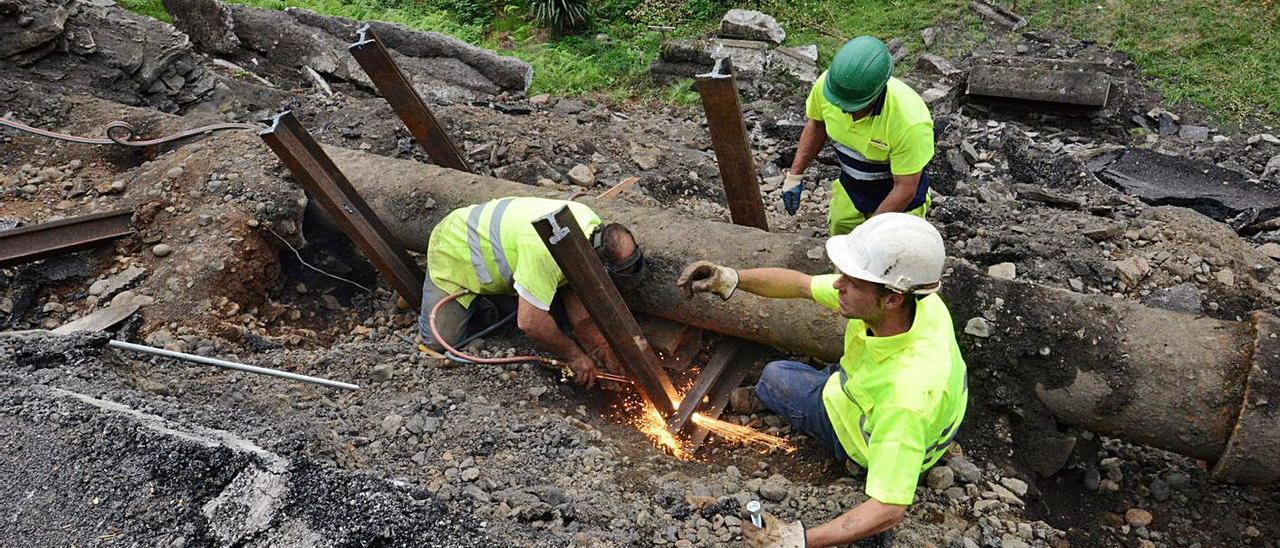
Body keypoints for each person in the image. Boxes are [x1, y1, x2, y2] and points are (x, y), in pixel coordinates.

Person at [676, 213, 967, 546]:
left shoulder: (906, 396)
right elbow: (800, 284)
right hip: (877, 397)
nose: (839, 284)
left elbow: (890, 507)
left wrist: (796, 540)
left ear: (892, 298)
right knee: (807, 373)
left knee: (775, 376)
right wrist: (730, 278)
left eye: (853, 282)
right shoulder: (920, 303)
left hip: (866, 431)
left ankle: (774, 400)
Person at [418, 196, 645, 386]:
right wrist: (573, 355)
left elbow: (577, 295)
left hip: (505, 249)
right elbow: (530, 323)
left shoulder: (588, 224)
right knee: (440, 342)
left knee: (552, 313)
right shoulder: (545, 255)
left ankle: (499, 300)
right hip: (455, 252)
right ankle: (484, 303)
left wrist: (600, 347)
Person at [781, 35, 935, 236]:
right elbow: (816, 125)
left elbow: (905, 189)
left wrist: (867, 234)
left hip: (900, 203)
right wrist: (795, 175)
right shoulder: (830, 88)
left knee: (890, 258)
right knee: (842, 248)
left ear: (877, 94)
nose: (844, 111)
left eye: (854, 107)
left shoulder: (909, 122)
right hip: (851, 190)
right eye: (839, 105)